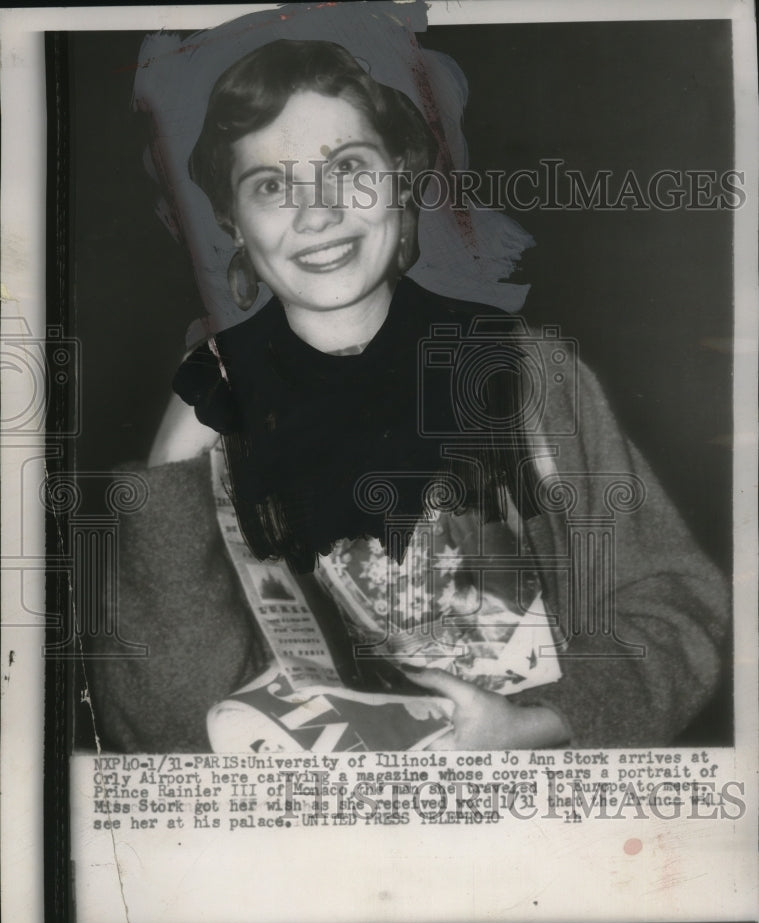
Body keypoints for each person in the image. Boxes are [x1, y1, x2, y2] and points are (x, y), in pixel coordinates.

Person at [89, 38, 727, 753]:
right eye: (271, 184)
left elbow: (673, 609)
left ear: (401, 178)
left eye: (348, 170)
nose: (316, 213)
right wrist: (172, 464)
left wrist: (537, 721)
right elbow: (164, 731)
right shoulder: (212, 414)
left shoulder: (528, 375)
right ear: (234, 221)